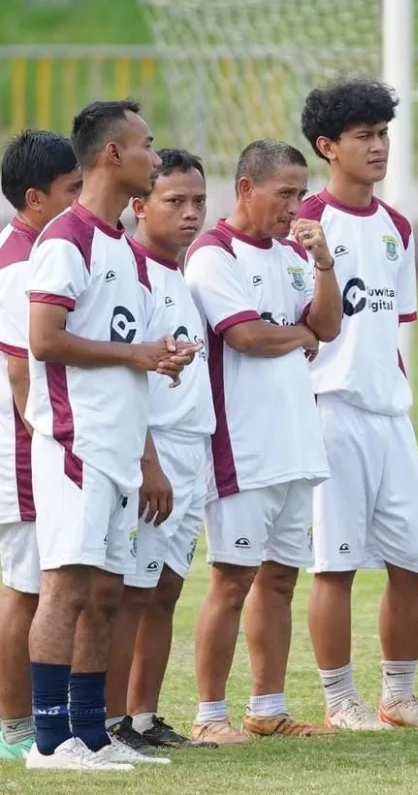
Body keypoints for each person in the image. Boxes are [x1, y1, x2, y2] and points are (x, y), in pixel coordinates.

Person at [23, 100, 197, 772]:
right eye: (148, 145)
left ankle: (91, 735)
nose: (157, 156)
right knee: (66, 588)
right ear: (112, 155)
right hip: (77, 444)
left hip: (121, 448)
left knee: (103, 593)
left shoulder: (123, 247)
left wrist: (161, 355)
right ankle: (47, 742)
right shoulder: (66, 238)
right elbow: (44, 340)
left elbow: (134, 343)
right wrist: (134, 356)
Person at [299, 78, 418, 730]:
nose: (379, 147)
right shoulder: (303, 223)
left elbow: (391, 332)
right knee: (335, 565)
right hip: (328, 410)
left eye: (384, 134)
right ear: (328, 147)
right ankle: (339, 700)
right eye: (364, 137)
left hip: (389, 417)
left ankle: (400, 697)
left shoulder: (397, 226)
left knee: (413, 561)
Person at [185, 139, 341, 744]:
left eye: (303, 193)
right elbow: (245, 337)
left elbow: (327, 327)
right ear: (246, 189)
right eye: (286, 193)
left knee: (280, 579)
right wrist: (295, 331)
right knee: (231, 580)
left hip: (295, 445)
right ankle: (208, 717)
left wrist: (324, 264)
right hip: (240, 449)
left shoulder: (293, 254)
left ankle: (267, 709)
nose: (297, 206)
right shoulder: (213, 254)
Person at [99, 149, 218, 752]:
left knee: (165, 589)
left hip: (192, 451)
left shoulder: (181, 272)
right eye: (175, 201)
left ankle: (143, 716)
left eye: (198, 200)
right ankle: (112, 720)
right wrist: (149, 464)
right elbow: (128, 382)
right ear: (140, 206)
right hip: (155, 454)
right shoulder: (131, 272)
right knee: (131, 591)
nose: (191, 212)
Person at [0, 130, 81, 760]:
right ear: (35, 197)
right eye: (71, 191)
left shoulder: (41, 249)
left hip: (40, 438)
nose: (82, 201)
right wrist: (48, 444)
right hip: (25, 444)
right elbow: (22, 369)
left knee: (36, 584)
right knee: (25, 586)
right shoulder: (22, 263)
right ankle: (14, 724)